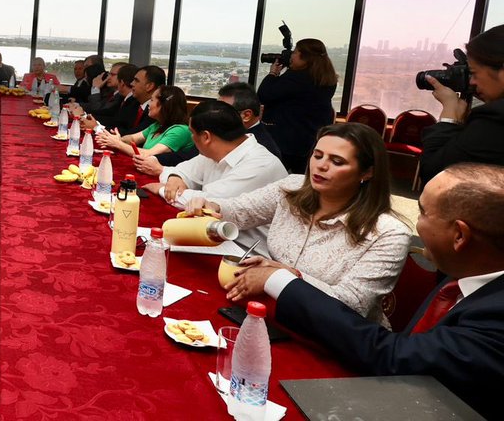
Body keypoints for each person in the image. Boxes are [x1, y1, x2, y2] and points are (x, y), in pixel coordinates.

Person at [270, 163, 504, 417]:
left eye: (423, 213)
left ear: (459, 235)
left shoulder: (495, 315)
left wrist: (282, 281)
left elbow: (397, 358)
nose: (416, 223)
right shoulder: (469, 269)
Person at [188, 122, 411, 325]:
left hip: (336, 335)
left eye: (337, 161)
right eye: (317, 155)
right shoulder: (291, 188)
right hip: (276, 313)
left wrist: (284, 276)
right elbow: (241, 210)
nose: (321, 166)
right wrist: (213, 206)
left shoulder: (388, 233)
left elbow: (352, 304)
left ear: (367, 172)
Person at [142, 100, 287, 246]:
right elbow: (181, 170)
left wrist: (161, 189)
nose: (191, 138)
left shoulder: (260, 164)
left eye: (192, 133)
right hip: (216, 238)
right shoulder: (215, 151)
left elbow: (207, 204)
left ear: (206, 137)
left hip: (246, 251)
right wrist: (175, 178)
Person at [420, 24, 504, 182]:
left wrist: (449, 116)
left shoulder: (495, 120)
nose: (472, 82)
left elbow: (434, 175)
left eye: (473, 73)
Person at [152, 82, 282, 168]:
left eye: (224, 110)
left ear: (246, 115)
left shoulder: (263, 150)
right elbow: (190, 160)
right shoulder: (222, 132)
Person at [258, 38, 338, 173]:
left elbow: (264, 95)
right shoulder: (327, 78)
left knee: (274, 176)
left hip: (287, 139)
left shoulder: (296, 78)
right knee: (300, 177)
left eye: (295, 52)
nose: (291, 56)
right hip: (311, 138)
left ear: (305, 57)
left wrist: (273, 73)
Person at [96, 84, 192, 158]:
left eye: (152, 100)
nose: (149, 104)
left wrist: (118, 143)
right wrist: (118, 139)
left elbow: (149, 154)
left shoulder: (180, 131)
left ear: (163, 105)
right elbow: (133, 139)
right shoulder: (157, 125)